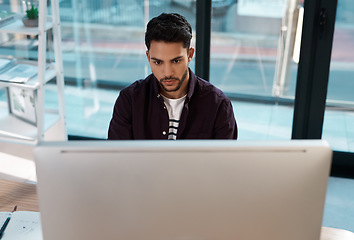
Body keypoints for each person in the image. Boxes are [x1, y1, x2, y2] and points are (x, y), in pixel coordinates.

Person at [108, 13, 237, 140]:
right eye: (158, 62)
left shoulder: (218, 105)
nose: (168, 73)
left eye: (176, 61)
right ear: (148, 57)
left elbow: (225, 160)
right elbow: (116, 158)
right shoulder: (129, 101)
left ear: (190, 54)